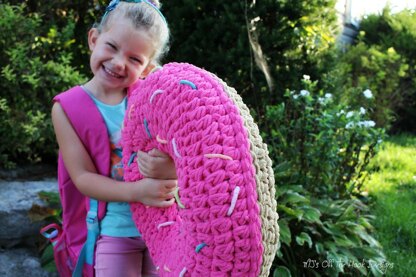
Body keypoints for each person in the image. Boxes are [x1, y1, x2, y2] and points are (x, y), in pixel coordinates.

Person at [51, 0, 174, 276]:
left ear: (147, 69)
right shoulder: (66, 109)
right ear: (94, 39)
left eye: (134, 59)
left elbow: (186, 154)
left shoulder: (155, 101)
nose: (119, 63)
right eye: (112, 47)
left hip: (164, 228)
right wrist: (137, 192)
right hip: (113, 232)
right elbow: (82, 178)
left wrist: (169, 168)